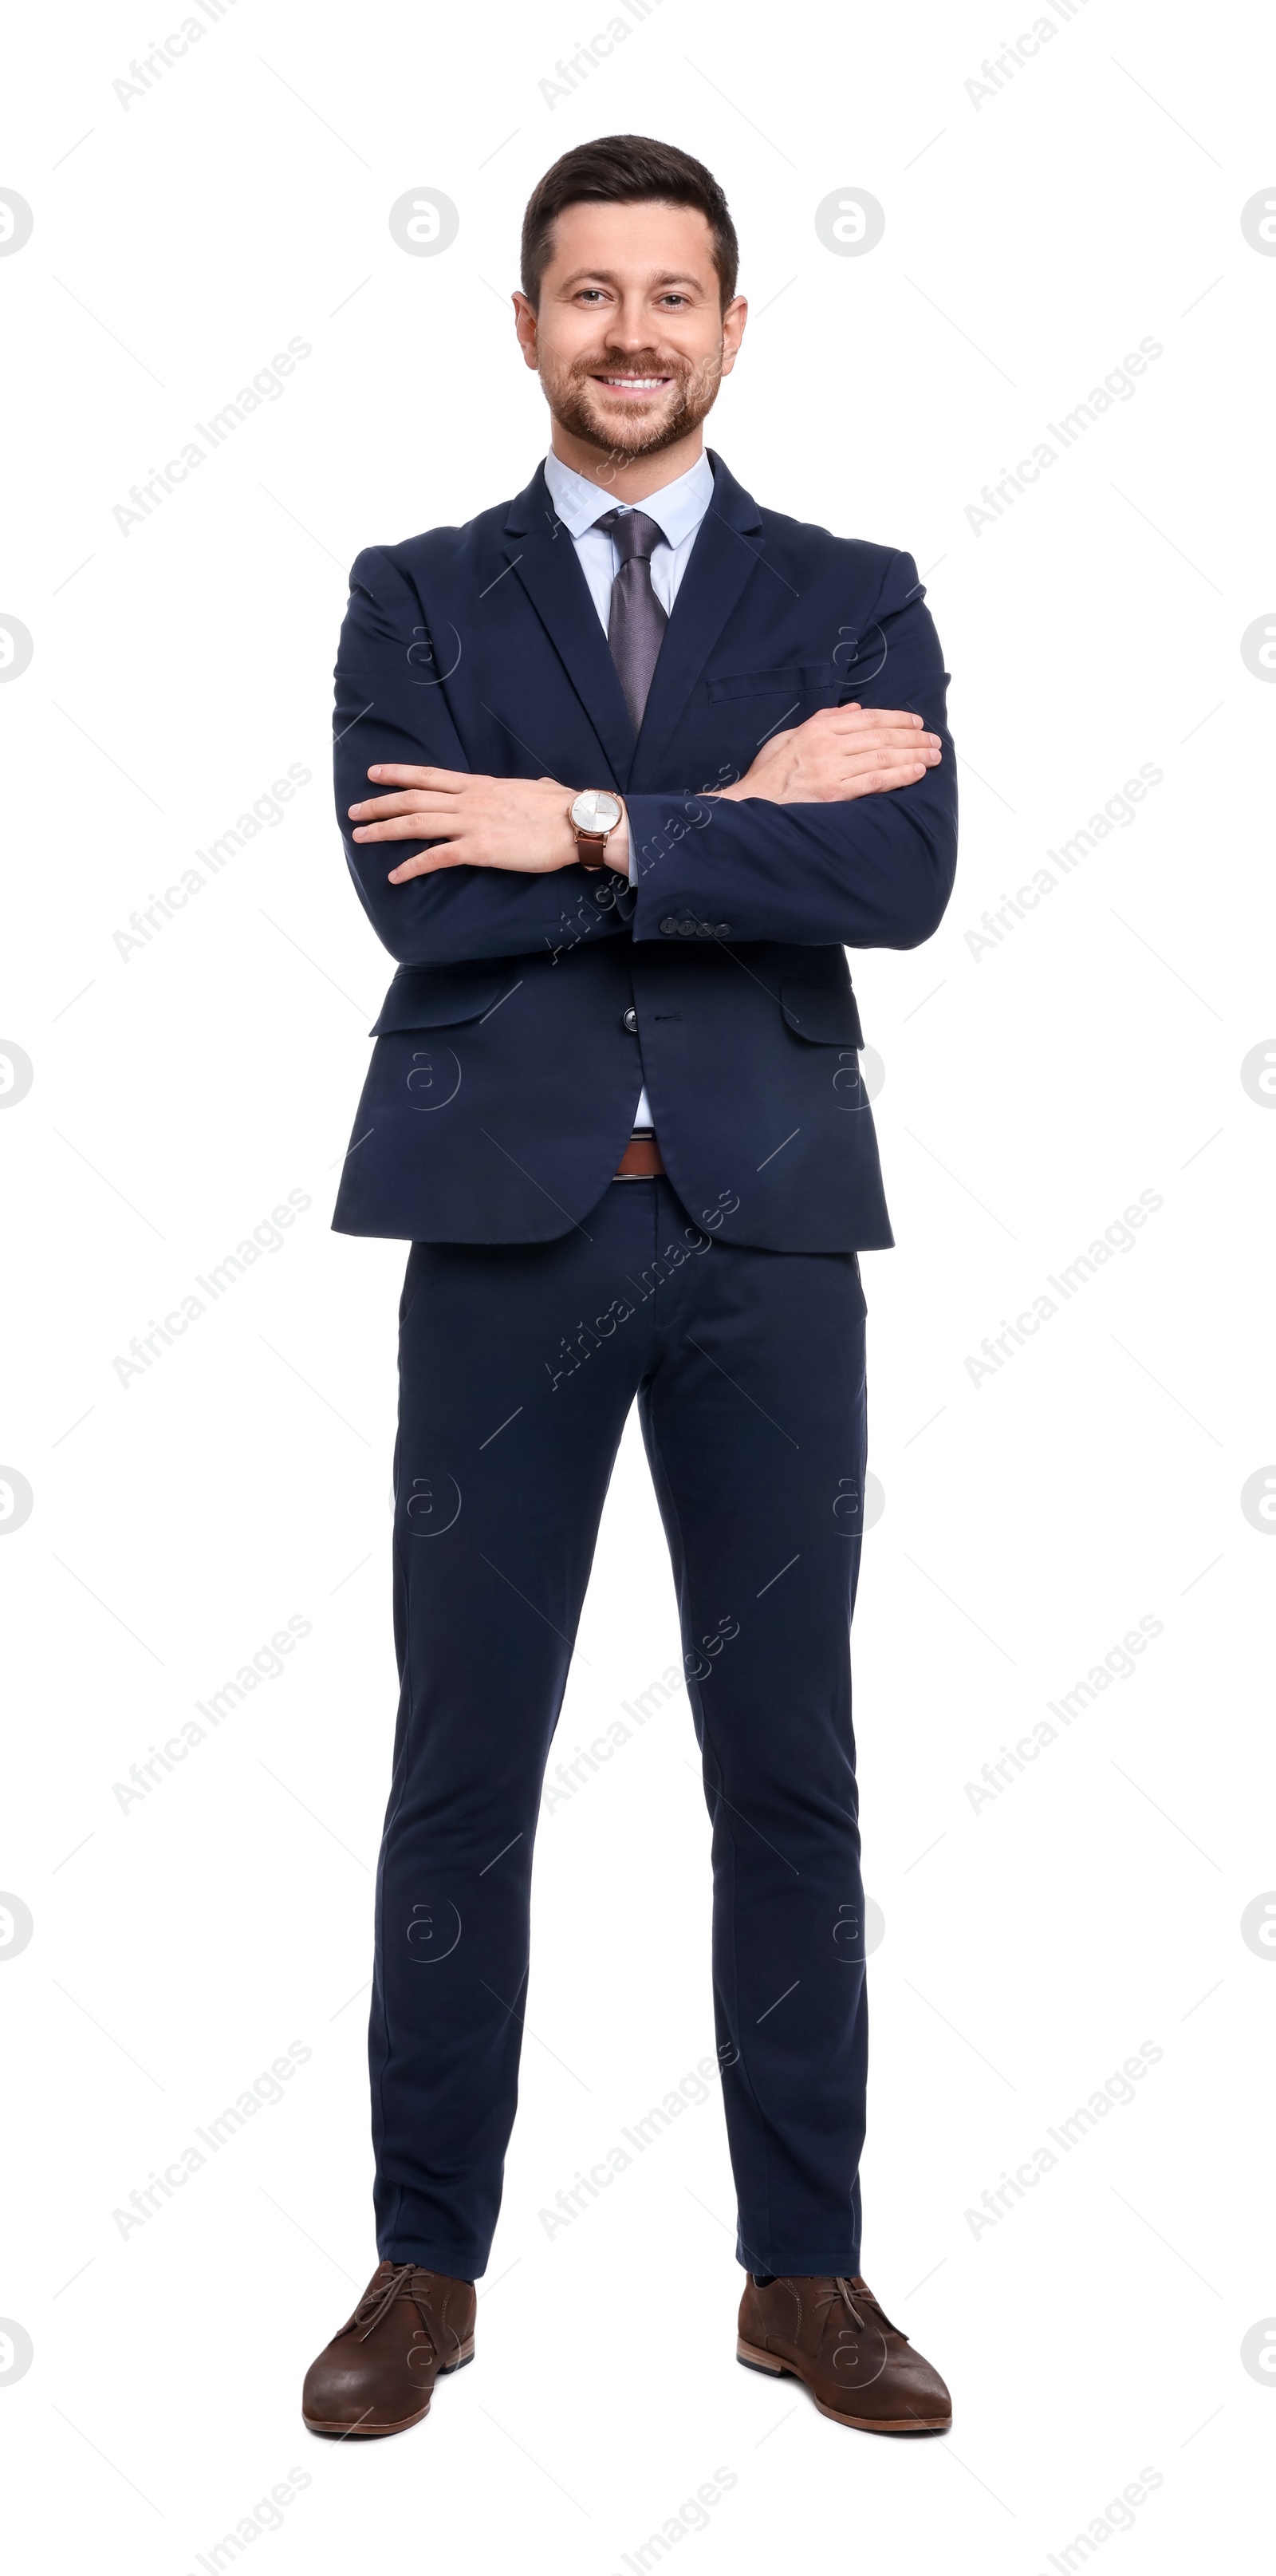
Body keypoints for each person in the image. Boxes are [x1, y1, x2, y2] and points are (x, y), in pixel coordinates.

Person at [301, 132, 957, 2443]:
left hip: (767, 1238)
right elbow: (420, 900)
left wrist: (582, 818)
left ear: (736, 326)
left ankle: (806, 2273)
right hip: (506, 1236)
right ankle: (420, 2262)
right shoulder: (417, 595)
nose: (633, 333)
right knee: (461, 1765)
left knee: (789, 1767)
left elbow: (899, 872)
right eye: (589, 293)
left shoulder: (854, 595)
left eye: (673, 293)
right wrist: (729, 818)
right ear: (524, 326)